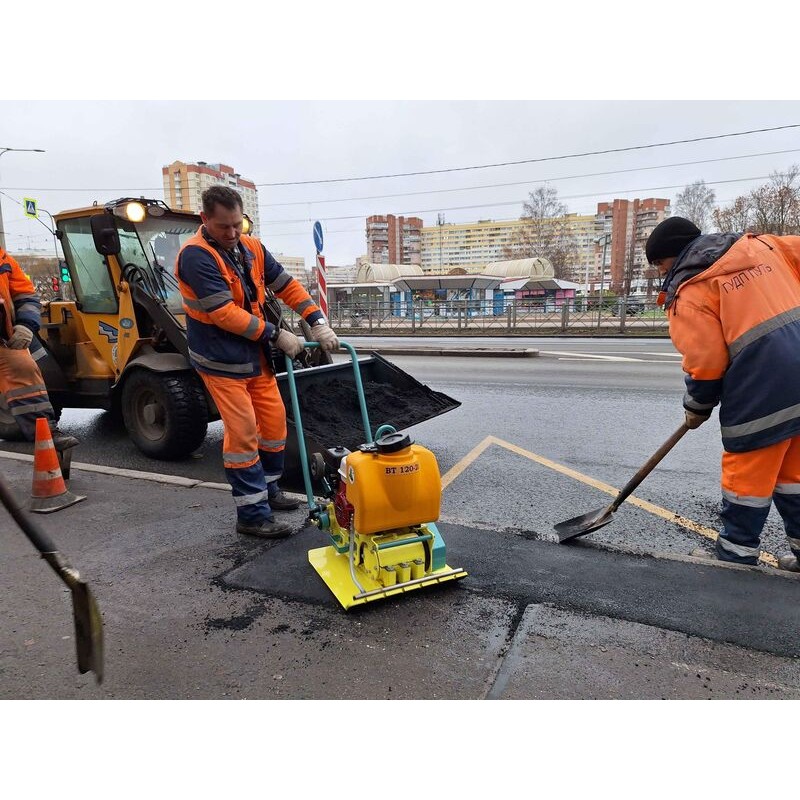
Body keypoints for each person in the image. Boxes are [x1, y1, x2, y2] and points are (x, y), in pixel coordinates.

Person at [175, 186, 339, 539]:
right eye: (224, 227)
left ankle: (270, 490)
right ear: (205, 220)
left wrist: (317, 321)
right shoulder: (195, 255)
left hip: (255, 357)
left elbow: (286, 285)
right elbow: (223, 313)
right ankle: (251, 513)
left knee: (274, 423)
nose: (233, 233)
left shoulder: (250, 247)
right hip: (220, 360)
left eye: (238, 224)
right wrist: (276, 334)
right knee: (244, 433)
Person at [646, 216, 800, 572]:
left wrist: (697, 406)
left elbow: (706, 360)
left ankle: (735, 561)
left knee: (747, 477)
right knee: (794, 474)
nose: (661, 272)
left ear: (671, 257)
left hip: (762, 388)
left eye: (659, 264)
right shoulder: (764, 245)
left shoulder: (692, 289)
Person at [0, 246, 79, 451]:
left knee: (25, 371)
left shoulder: (2, 258)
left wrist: (26, 325)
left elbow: (25, 294)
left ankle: (45, 434)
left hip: (2, 336)